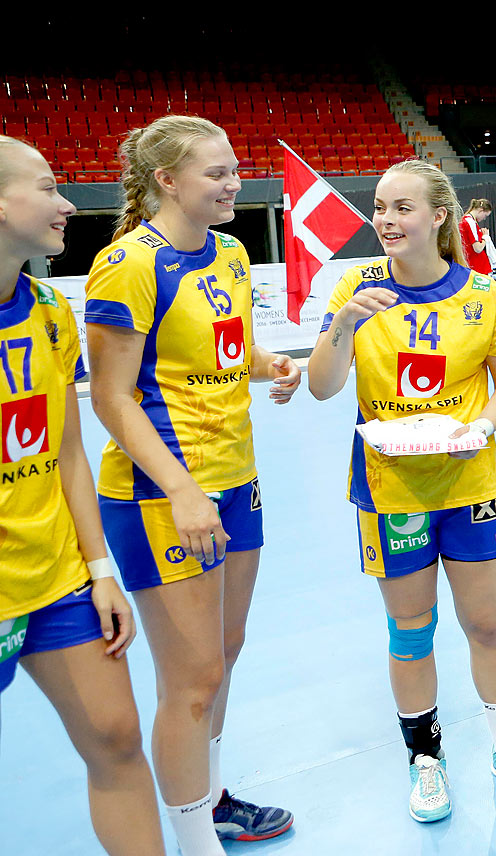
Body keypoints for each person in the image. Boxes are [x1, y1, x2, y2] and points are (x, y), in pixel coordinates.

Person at [85, 116, 301, 855]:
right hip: (161, 496)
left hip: (234, 481)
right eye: (216, 172)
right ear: (167, 181)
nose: (234, 183)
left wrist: (269, 362)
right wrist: (179, 487)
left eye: (234, 168)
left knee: (225, 651)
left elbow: (224, 343)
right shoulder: (128, 265)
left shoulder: (233, 252)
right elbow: (114, 397)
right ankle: (193, 839)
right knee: (192, 680)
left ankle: (208, 800)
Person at [306, 160, 496, 822]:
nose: (385, 219)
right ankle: (425, 760)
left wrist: (481, 427)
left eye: (402, 207)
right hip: (390, 492)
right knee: (411, 632)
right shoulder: (358, 286)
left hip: (470, 484)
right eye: (380, 207)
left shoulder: (482, 297)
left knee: (488, 625)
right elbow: (323, 387)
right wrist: (344, 321)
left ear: (439, 216)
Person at [0, 136, 166, 856]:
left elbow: (66, 451)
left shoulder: (46, 309)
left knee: (117, 739)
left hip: (57, 579)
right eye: (47, 186)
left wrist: (100, 571)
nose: (67, 202)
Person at [460, 198, 493, 276]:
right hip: (476, 267)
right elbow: (477, 248)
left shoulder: (468, 221)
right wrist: (485, 237)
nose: (484, 219)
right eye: (485, 216)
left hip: (475, 266)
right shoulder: (470, 222)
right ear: (481, 210)